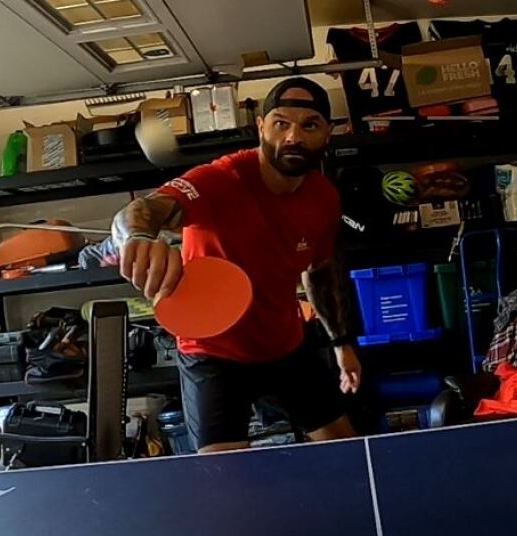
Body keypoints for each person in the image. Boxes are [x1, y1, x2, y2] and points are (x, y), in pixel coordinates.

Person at [112, 77, 361, 453]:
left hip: (286, 345)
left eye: (309, 125)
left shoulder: (323, 197)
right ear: (261, 127)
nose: (293, 136)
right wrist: (138, 237)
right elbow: (142, 211)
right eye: (281, 123)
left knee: (349, 454)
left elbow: (321, 272)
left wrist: (341, 343)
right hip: (213, 354)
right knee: (226, 482)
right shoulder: (219, 180)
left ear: (328, 133)